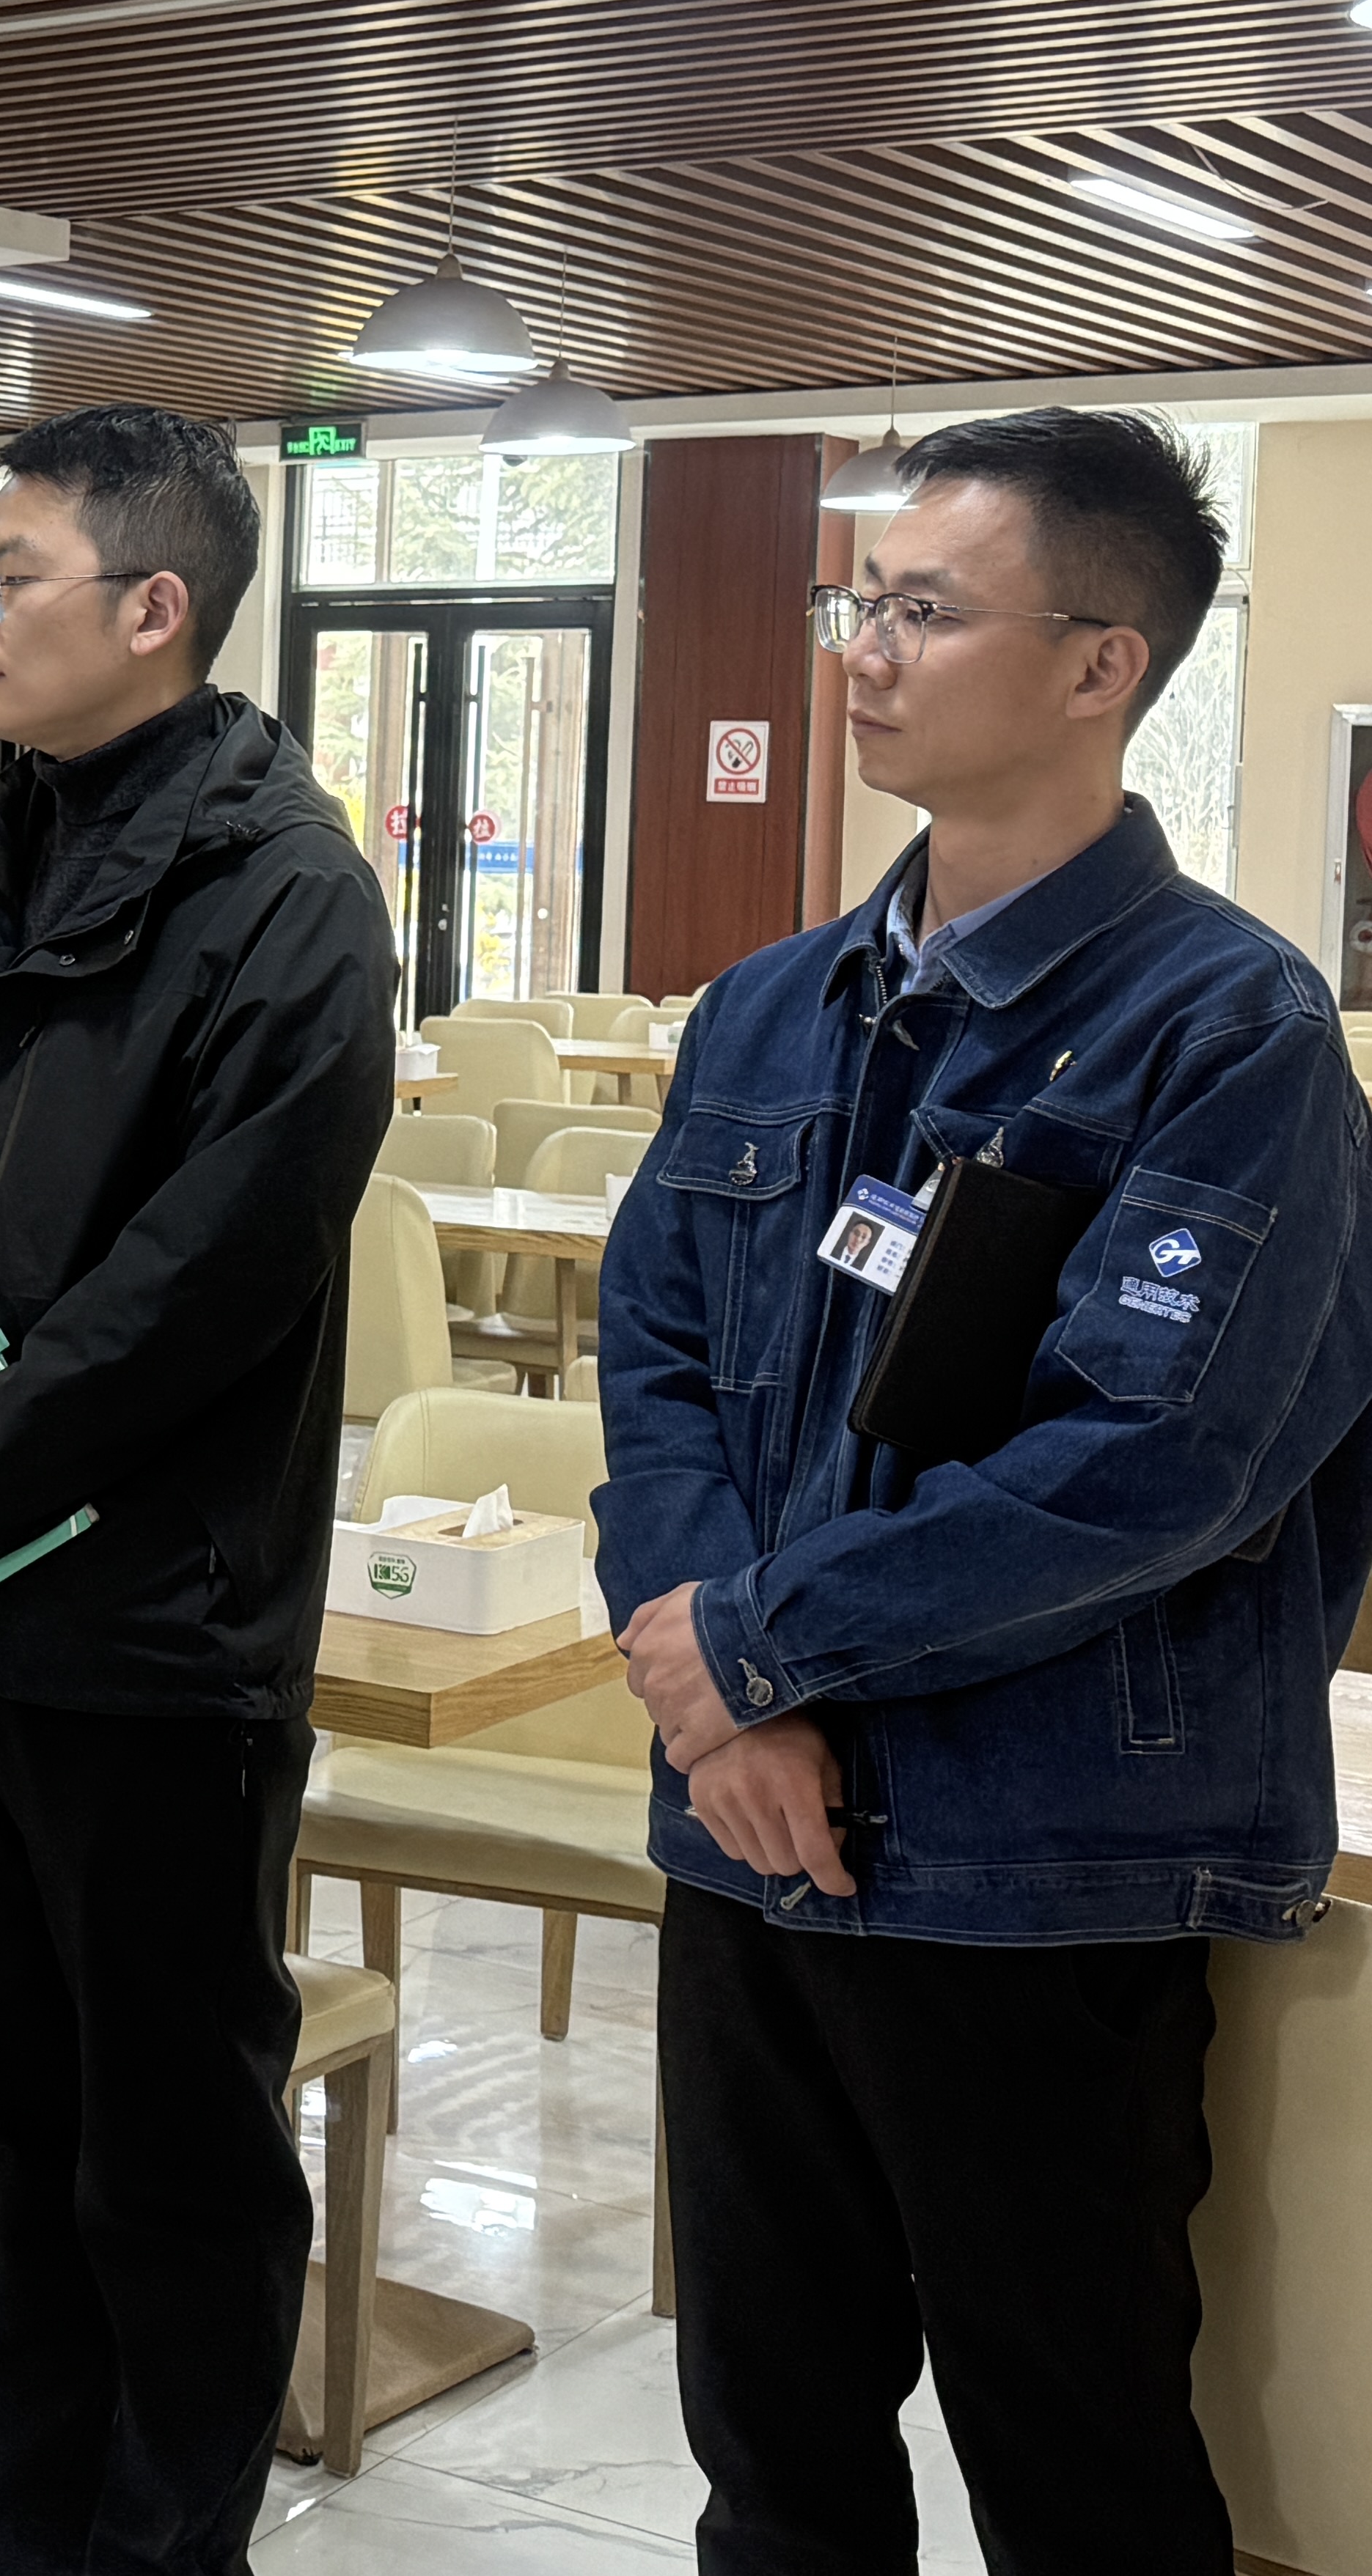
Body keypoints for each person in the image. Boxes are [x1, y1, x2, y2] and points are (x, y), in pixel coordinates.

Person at [595, 408, 1372, 2576]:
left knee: (1078, 2465)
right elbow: (655, 1363)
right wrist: (720, 1700)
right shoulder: (773, 1010)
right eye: (861, 600)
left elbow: (1157, 1466)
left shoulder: (1231, 1035)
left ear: (1102, 664)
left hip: (1039, 1866)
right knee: (774, 2455)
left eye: (925, 611)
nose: (863, 650)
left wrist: (759, 1648)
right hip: (748, 1846)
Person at [0, 404, 397, 2576]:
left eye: (9, 576)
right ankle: (14, 2525)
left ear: (156, 608)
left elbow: (209, 1274)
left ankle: (160, 2544)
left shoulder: (290, 898)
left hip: (153, 1633)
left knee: (170, 2149)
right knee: (1, 2111)